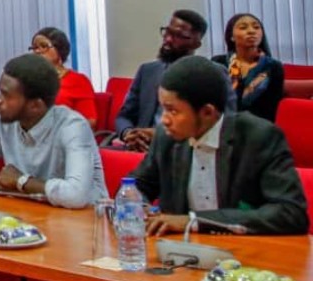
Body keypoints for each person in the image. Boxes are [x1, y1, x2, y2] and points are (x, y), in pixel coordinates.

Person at [129, 55, 308, 236]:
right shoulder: (166, 138)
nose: (164, 120)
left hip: (247, 253)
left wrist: (195, 221)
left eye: (173, 110)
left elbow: (290, 213)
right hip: (180, 254)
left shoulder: (259, 137)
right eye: (163, 109)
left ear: (207, 112)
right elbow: (136, 185)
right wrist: (141, 208)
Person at [0, 53, 106, 209]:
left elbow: (75, 196)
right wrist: (16, 188)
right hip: (32, 216)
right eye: (0, 91)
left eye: (6, 95)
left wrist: (22, 181)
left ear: (35, 105)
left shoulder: (73, 127)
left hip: (88, 223)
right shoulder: (2, 121)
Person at [114, 10, 235, 152]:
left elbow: (226, 122)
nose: (168, 39)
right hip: (142, 149)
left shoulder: (212, 74)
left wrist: (160, 135)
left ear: (196, 43)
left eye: (179, 36)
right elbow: (124, 116)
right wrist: (128, 133)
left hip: (188, 150)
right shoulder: (147, 71)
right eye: (167, 32)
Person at [211, 13, 286, 123]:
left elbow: (273, 108)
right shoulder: (218, 63)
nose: (251, 31)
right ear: (231, 36)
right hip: (224, 126)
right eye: (243, 27)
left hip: (259, 128)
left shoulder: (273, 67)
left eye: (256, 27)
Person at [30, 27, 97, 129]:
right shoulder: (27, 79)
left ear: (60, 50)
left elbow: (89, 121)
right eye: (34, 48)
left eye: (44, 46)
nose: (38, 51)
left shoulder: (78, 81)